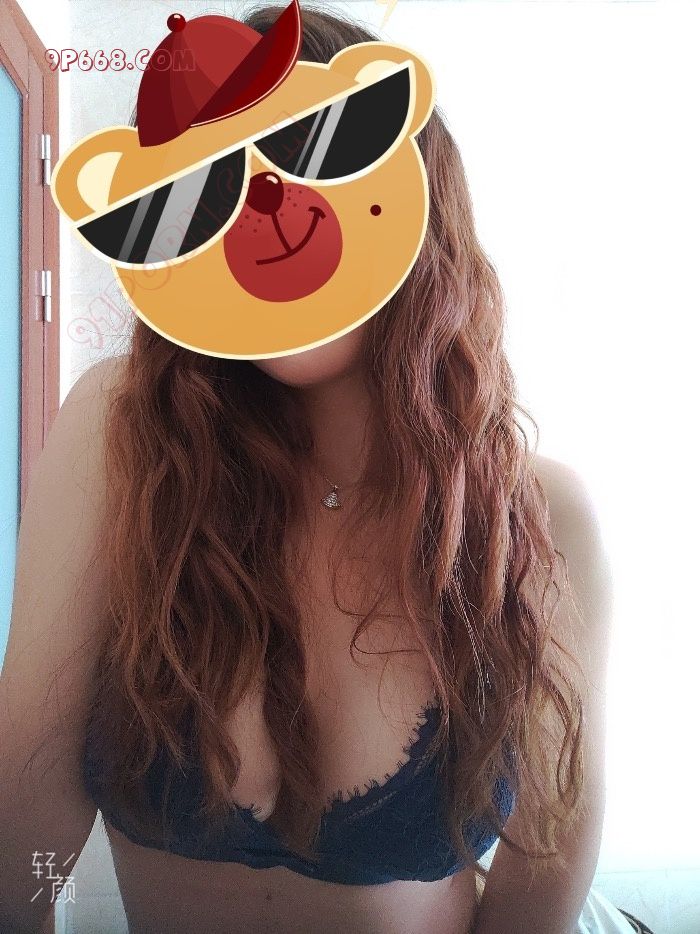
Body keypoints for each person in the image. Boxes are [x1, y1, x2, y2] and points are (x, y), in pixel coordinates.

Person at [1, 5, 642, 933]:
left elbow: (548, 861)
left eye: (318, 156)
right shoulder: (121, 435)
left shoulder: (540, 513)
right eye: (211, 191)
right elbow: (28, 818)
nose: (264, 215)